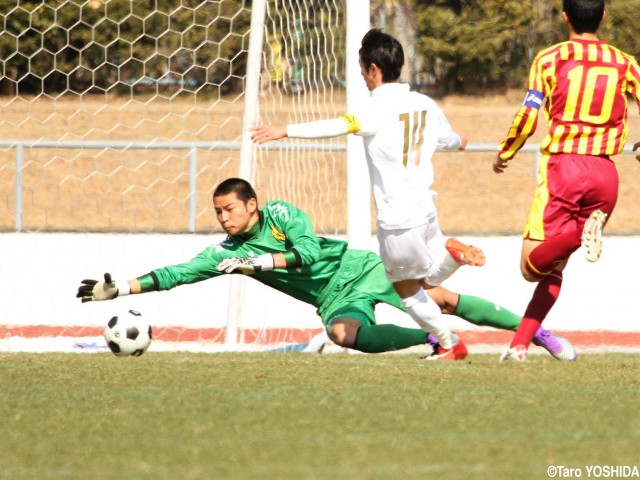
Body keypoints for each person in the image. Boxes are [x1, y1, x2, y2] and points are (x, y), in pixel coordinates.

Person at [252, 29, 530, 360]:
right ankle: (452, 258)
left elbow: (337, 125)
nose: (362, 77)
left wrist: (285, 130)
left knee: (407, 292)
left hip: (397, 219)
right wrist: (461, 140)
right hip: (427, 209)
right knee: (426, 283)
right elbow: (448, 140)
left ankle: (447, 343)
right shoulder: (424, 103)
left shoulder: (374, 108)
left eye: (361, 68)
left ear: (373, 69)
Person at [77, 178, 573, 360]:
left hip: (359, 267)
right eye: (218, 212)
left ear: (252, 204)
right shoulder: (226, 251)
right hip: (333, 298)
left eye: (229, 209)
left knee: (439, 300)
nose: (223, 217)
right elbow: (179, 272)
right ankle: (435, 343)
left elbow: (309, 254)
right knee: (342, 334)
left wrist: (258, 261)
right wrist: (120, 287)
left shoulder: (283, 216)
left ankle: (537, 334)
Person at [493, 0, 640, 361]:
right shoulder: (626, 63)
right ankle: (519, 347)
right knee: (554, 268)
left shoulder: (549, 59)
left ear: (564, 17)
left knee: (531, 267)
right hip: (605, 175)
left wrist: (506, 152)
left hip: (564, 169)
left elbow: (528, 115)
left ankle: (580, 233)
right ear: (603, 16)